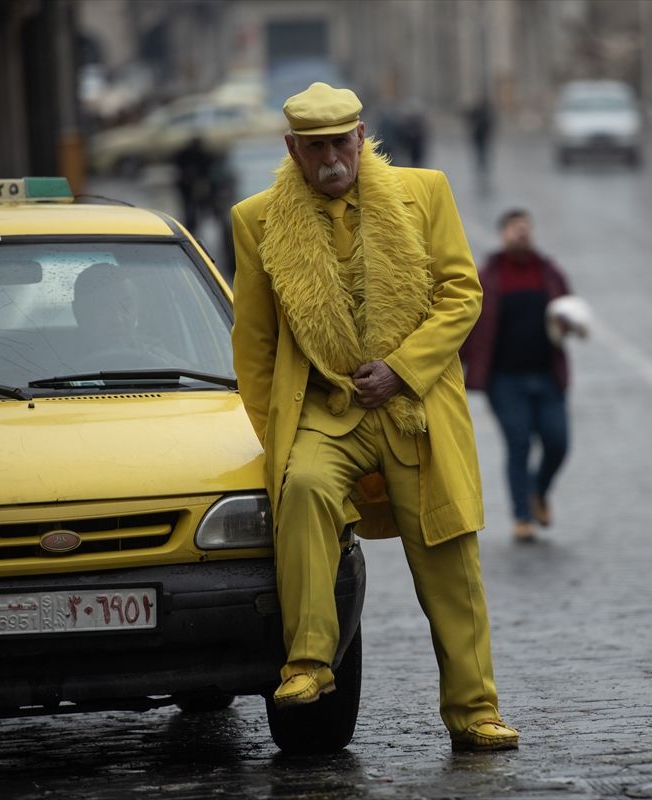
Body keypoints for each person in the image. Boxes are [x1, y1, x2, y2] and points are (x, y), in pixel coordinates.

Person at [230, 82, 519, 751]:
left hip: (413, 409)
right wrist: (276, 437)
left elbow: (460, 293)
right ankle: (307, 662)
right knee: (301, 489)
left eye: (342, 143)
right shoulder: (256, 219)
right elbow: (256, 347)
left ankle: (475, 711)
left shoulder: (426, 191)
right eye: (317, 148)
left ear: (362, 138)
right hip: (327, 415)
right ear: (292, 150)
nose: (332, 159)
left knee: (451, 557)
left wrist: (403, 368)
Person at [461, 209, 575, 543]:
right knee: (518, 442)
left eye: (526, 229)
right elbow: (467, 322)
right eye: (514, 229)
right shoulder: (489, 276)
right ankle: (522, 516)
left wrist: (570, 323)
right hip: (504, 380)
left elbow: (569, 310)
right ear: (503, 235)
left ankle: (538, 491)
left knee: (558, 442)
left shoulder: (549, 272)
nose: (521, 234)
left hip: (547, 375)